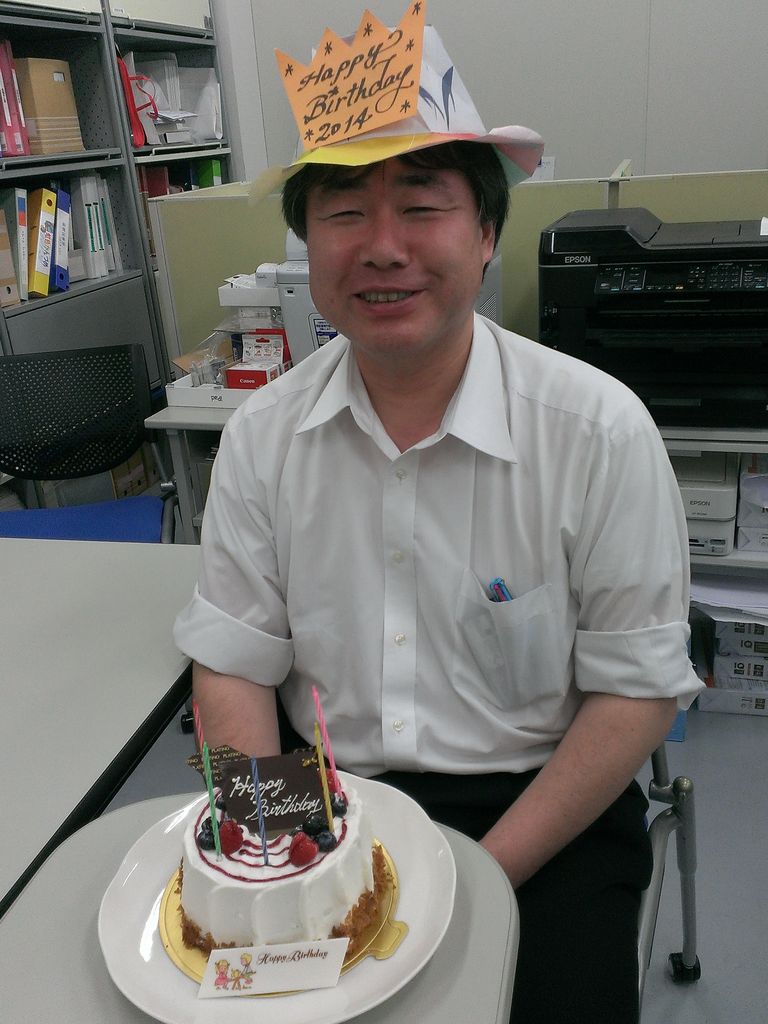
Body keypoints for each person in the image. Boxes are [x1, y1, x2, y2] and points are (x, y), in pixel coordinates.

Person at [174, 14, 702, 1022]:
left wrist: (472, 876)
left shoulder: (597, 432)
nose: (383, 249)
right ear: (308, 244)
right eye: (344, 213)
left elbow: (634, 695)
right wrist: (274, 853)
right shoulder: (262, 438)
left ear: (486, 233)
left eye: (422, 207)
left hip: (539, 808)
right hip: (324, 801)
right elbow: (235, 661)